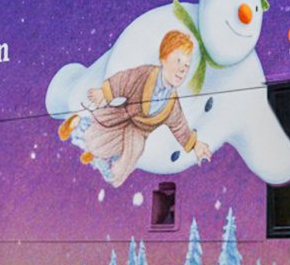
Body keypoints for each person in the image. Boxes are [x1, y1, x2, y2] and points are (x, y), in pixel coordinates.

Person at [63, 30, 212, 187]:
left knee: (131, 152)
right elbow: (124, 80)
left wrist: (195, 144)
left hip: (139, 132)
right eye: (178, 61)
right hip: (122, 114)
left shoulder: (172, 104)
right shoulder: (146, 74)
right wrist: (105, 93)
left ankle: (103, 163)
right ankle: (77, 125)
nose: (182, 69)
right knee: (100, 125)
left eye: (187, 65)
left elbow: (179, 125)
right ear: (164, 59)